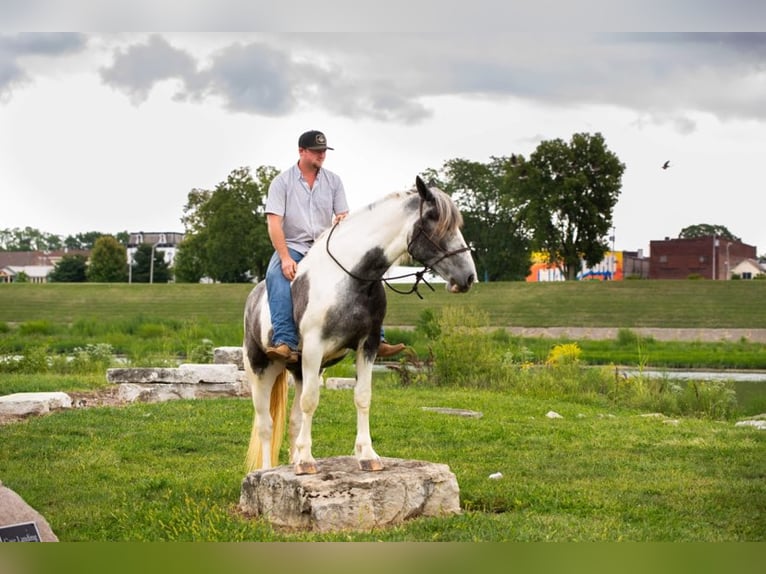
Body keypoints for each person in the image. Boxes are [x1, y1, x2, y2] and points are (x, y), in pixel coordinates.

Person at [264, 130, 405, 363]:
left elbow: (342, 213)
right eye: (317, 151)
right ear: (302, 151)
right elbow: (274, 223)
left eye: (324, 151)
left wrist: (341, 220)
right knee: (275, 274)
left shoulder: (333, 181)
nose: (322, 155)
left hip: (324, 246)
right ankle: (285, 341)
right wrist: (285, 257)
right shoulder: (281, 183)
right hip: (294, 246)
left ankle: (376, 338)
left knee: (367, 274)